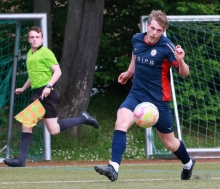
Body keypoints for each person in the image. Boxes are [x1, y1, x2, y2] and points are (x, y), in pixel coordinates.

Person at [94, 10, 195, 181]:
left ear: (163, 31)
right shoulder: (137, 39)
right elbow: (136, 55)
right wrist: (129, 72)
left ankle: (188, 163)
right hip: (137, 93)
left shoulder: (167, 46)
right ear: (147, 26)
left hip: (159, 100)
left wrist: (181, 60)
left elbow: (184, 73)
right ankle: (113, 168)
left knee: (169, 143)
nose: (155, 33)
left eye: (159, 31)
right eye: (153, 28)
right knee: (121, 121)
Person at [4, 26, 100, 167]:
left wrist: (48, 87)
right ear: (28, 39)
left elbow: (57, 71)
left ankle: (21, 160)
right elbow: (33, 75)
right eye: (32, 37)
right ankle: (83, 119)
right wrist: (23, 88)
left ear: (42, 38)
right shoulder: (30, 54)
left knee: (31, 124)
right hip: (37, 93)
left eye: (37, 37)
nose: (34, 39)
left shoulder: (46, 53)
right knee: (48, 128)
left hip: (47, 93)